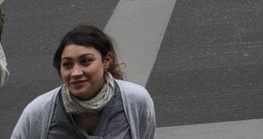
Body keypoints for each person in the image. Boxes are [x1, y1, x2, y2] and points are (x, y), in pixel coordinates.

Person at [10, 25, 156, 139]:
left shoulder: (137, 101)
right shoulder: (38, 112)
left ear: (106, 60)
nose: (76, 73)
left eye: (86, 61)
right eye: (67, 64)